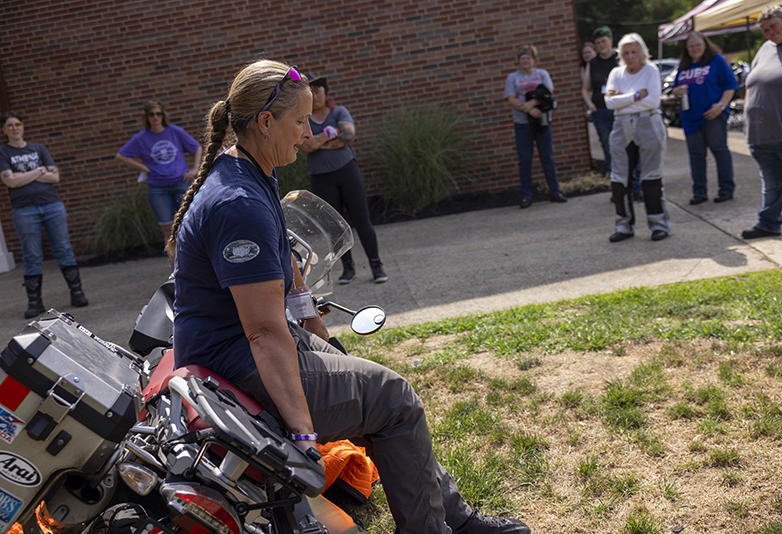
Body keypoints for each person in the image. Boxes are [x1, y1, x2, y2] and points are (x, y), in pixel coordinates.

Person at [167, 59, 530, 534]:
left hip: (247, 349)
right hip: (234, 369)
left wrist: (321, 336)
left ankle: (454, 518)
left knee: (375, 388)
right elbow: (261, 329)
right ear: (265, 122)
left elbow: (288, 269)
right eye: (300, 121)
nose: (307, 132)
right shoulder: (238, 205)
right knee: (395, 398)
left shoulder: (252, 169)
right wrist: (301, 434)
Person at [298, 75, 387, 284]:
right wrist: (331, 135)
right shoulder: (305, 120)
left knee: (362, 220)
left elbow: (348, 137)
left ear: (325, 92)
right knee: (335, 226)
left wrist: (319, 141)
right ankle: (348, 268)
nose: (315, 95)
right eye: (310, 91)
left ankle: (376, 265)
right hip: (321, 178)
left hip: (348, 172)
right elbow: (306, 147)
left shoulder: (339, 112)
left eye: (318, 90)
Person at [0, 111, 89, 318]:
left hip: (52, 205)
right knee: (31, 255)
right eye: (10, 126)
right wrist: (40, 171)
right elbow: (10, 182)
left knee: (63, 248)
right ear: (4, 130)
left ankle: (77, 293)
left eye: (18, 124)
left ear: (23, 127)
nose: (15, 128)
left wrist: (23, 175)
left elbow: (55, 177)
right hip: (24, 209)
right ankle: (35, 302)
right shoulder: (3, 152)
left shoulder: (39, 148)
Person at [605, 33, 672, 242]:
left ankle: (659, 224)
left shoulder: (651, 70)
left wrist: (621, 99)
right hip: (621, 127)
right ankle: (624, 226)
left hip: (648, 123)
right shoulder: (616, 73)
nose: (630, 56)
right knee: (619, 180)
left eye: (634, 52)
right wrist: (635, 96)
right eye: (625, 52)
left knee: (651, 178)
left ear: (641, 52)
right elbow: (609, 103)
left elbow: (653, 101)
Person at [740, 5, 782, 239]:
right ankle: (769, 224)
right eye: (765, 30)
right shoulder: (766, 48)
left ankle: (769, 222)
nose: (769, 33)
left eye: (773, 26)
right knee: (771, 185)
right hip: (759, 136)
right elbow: (752, 83)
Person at [116, 100, 201, 245]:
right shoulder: (141, 138)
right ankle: (174, 264)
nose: (155, 117)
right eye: (151, 114)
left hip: (181, 182)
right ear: (146, 117)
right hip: (158, 189)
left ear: (163, 115)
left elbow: (196, 147)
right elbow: (121, 156)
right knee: (168, 229)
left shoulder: (174, 131)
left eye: (158, 114)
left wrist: (195, 169)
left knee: (191, 223)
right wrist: (144, 168)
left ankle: (196, 261)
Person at [670, 31, 739, 205]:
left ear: (705, 45)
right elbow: (676, 88)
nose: (694, 49)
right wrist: (675, 91)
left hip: (712, 116)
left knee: (719, 150)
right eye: (691, 46)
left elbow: (731, 85)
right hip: (690, 118)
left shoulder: (716, 61)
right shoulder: (684, 66)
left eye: (698, 45)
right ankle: (699, 192)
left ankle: (726, 189)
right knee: (696, 156)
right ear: (686, 49)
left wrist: (721, 106)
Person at [582, 26, 643, 200]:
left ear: (610, 40)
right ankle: (618, 188)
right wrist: (590, 104)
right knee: (611, 151)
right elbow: (585, 89)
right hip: (601, 111)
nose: (601, 45)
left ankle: (636, 187)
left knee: (632, 147)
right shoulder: (592, 63)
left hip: (623, 110)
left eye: (604, 41)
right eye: (598, 42)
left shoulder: (621, 58)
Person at [505, 44, 567, 208]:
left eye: (528, 58)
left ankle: (555, 191)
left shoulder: (542, 74)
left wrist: (531, 104)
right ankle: (526, 195)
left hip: (543, 122)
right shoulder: (512, 78)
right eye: (522, 58)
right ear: (519, 61)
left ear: (534, 60)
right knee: (525, 160)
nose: (525, 61)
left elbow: (548, 92)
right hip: (522, 124)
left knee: (547, 157)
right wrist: (528, 110)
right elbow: (510, 98)